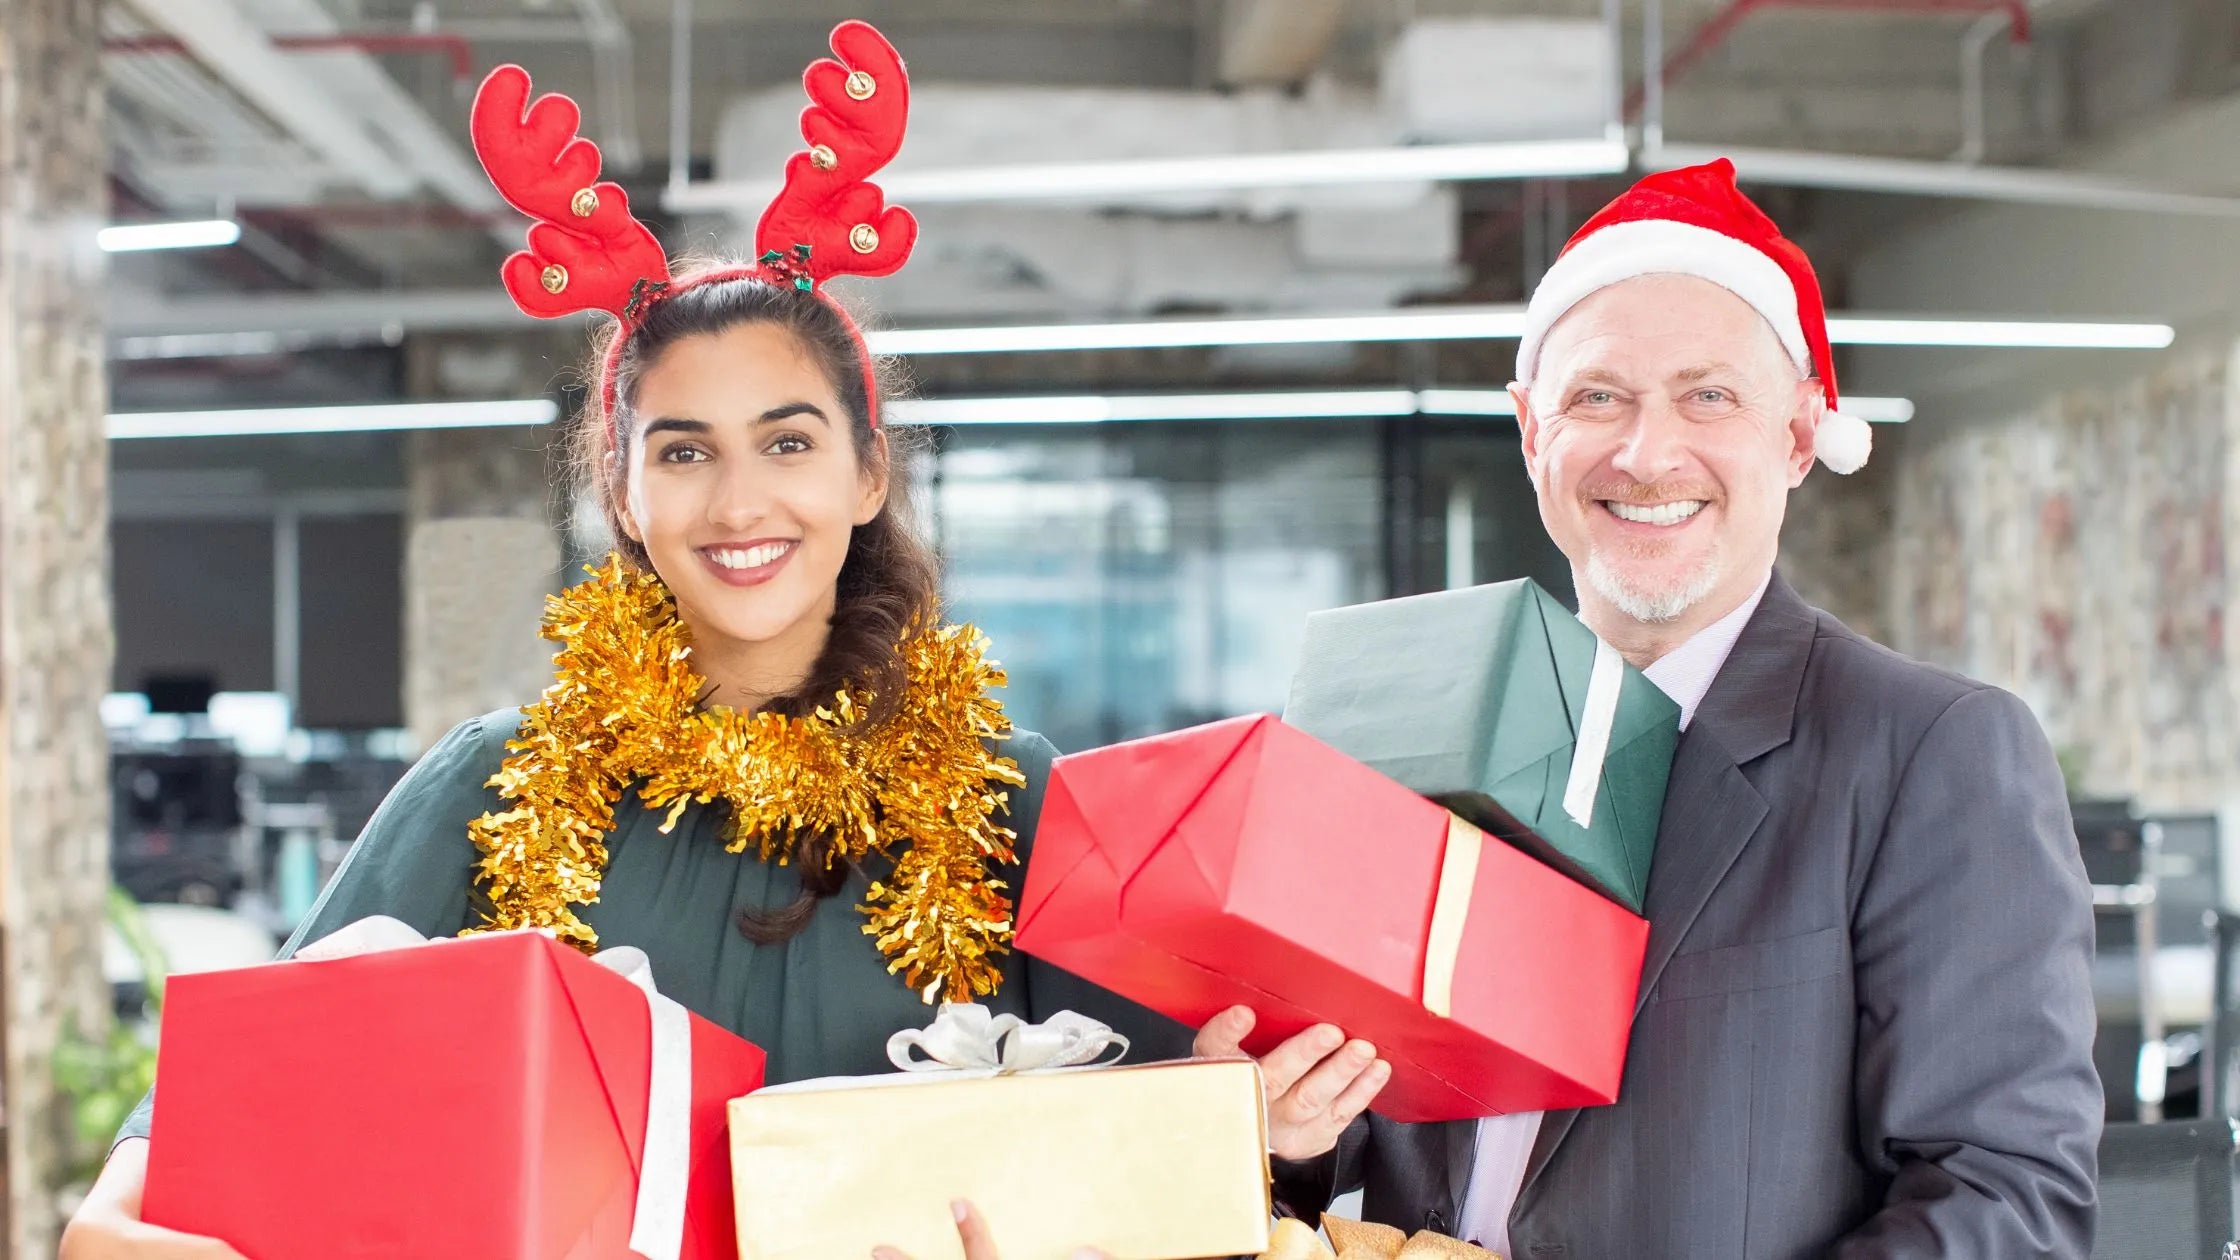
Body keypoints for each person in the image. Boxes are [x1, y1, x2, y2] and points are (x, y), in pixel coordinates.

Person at [60, 25, 1238, 1259]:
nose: (738, 505)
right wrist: (122, 1205)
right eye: (683, 452)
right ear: (623, 496)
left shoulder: (1018, 803)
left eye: (787, 443)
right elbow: (260, 1066)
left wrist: (1268, 1115)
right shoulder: (494, 783)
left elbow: (1156, 1156)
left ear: (866, 473)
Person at [1235, 159, 2103, 1258]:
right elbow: (1331, 1133)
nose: (1647, 454)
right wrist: (1280, 1129)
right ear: (1528, 432)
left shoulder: (1930, 753)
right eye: (1597, 397)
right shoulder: (1413, 735)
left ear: (1795, 437)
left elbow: (2004, 1196)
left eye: (1708, 395)